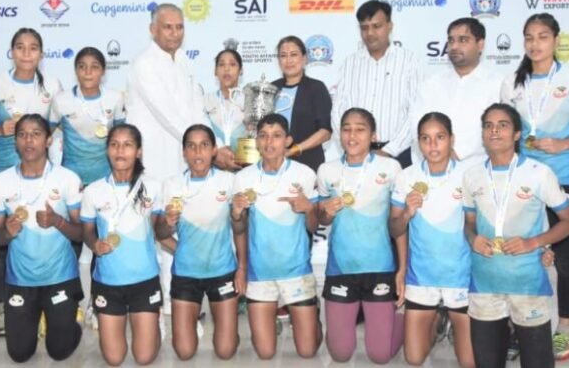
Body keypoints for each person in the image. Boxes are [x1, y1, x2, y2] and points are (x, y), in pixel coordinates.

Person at [500, 13, 569, 361]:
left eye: (543, 36)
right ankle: (518, 326)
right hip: (523, 179)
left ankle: (564, 328)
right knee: (520, 254)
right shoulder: (512, 83)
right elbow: (505, 130)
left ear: (556, 40)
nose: (535, 44)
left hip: (565, 178)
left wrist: (563, 144)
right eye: (529, 37)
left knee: (564, 259)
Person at [463, 103, 569, 368]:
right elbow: (469, 224)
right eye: (489, 126)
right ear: (483, 133)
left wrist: (534, 242)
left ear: (517, 134)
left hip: (528, 285)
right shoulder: (472, 176)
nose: (494, 131)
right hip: (484, 284)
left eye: (503, 125)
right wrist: (472, 238)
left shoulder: (539, 173)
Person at [125, 3, 209, 314]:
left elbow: (196, 109)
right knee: (153, 229)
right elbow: (168, 114)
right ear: (153, 30)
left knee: (175, 226)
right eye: (167, 27)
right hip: (153, 164)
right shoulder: (144, 64)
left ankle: (178, 298)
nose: (174, 33)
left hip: (182, 161)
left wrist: (207, 144)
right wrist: (203, 144)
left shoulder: (184, 61)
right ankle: (157, 300)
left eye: (179, 27)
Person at [0, 27, 63, 335]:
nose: (26, 53)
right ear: (11, 51)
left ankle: (47, 304)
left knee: (43, 235)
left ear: (41, 53)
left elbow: (56, 126)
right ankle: (4, 308)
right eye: (20, 47)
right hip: (1, 171)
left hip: (40, 175)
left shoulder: (52, 86)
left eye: (33, 48)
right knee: (2, 238)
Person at [0, 114, 83, 362]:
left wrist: (57, 221)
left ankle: (71, 322)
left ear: (49, 140)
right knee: (19, 354)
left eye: (36, 134)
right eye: (22, 135)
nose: (28, 140)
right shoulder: (0, 182)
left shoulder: (67, 179)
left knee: (59, 351)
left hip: (60, 277)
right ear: (15, 141)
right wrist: (7, 232)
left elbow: (81, 232)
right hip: (20, 280)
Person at [317, 108, 404, 363]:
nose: (352, 135)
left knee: (380, 356)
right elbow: (322, 219)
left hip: (380, 268)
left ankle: (405, 319)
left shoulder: (390, 168)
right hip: (341, 269)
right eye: (346, 129)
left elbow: (398, 224)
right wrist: (326, 212)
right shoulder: (327, 170)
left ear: (373, 135)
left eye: (360, 129)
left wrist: (402, 269)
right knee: (340, 354)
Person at [232, 113, 322, 359]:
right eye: (263, 136)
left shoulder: (305, 174)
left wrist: (309, 208)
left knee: (307, 351)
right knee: (265, 353)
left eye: (276, 136)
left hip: (296, 272)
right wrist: (237, 214)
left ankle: (312, 314)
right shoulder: (243, 178)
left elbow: (314, 226)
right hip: (260, 274)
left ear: (288, 141)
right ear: (256, 141)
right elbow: (239, 229)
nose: (269, 142)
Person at [390, 112, 473, 368]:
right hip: (422, 277)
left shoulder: (470, 175)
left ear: (451, 139)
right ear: (418, 143)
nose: (433, 145)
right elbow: (394, 228)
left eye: (440, 137)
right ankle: (438, 321)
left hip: (461, 277)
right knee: (414, 358)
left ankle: (454, 321)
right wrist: (406, 213)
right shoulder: (407, 176)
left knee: (469, 362)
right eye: (425, 138)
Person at [156, 124, 246, 360]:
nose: (198, 152)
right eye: (191, 146)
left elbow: (239, 229)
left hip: (222, 271)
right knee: (184, 352)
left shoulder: (229, 181)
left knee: (225, 351)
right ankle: (197, 320)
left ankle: (228, 331)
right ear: (184, 152)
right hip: (186, 274)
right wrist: (169, 226)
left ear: (214, 150)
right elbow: (161, 234)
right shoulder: (172, 185)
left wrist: (241, 268)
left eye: (204, 145)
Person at [80, 124, 163, 365]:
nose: (120, 151)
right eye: (114, 145)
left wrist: (169, 223)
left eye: (127, 145)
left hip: (145, 279)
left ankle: (155, 326)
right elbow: (87, 231)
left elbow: (156, 230)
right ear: (107, 150)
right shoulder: (93, 191)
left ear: (138, 151)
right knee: (114, 359)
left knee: (144, 357)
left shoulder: (153, 187)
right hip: (108, 282)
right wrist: (95, 244)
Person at [332, 0, 423, 168]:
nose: (370, 33)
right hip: (356, 153)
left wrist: (389, 150)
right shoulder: (350, 63)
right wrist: (352, 145)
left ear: (390, 26)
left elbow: (416, 110)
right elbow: (338, 110)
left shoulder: (409, 61)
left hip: (397, 154)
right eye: (364, 27)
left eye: (376, 26)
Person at [412, 17, 504, 168]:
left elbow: (493, 129)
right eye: (451, 40)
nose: (454, 46)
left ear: (480, 44)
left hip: (478, 168)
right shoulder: (431, 84)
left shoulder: (498, 84)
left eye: (463, 40)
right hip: (432, 167)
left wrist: (455, 153)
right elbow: (416, 123)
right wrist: (436, 151)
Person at [50, 46, 125, 186]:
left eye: (94, 67)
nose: (88, 72)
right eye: (82, 66)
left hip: (106, 178)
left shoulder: (115, 98)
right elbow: (45, 136)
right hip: (70, 179)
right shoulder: (61, 100)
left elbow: (122, 136)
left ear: (103, 71)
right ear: (75, 70)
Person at [271, 35, 332, 173]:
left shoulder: (316, 88)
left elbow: (325, 132)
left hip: (307, 162)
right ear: (278, 61)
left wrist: (295, 149)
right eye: (283, 55)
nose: (288, 60)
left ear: (304, 58)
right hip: (273, 164)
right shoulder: (270, 88)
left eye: (293, 55)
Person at [204, 49, 245, 171]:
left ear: (241, 70)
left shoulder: (250, 100)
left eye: (232, 64)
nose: (226, 69)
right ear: (215, 71)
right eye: (221, 65)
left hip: (244, 168)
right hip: (212, 169)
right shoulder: (205, 100)